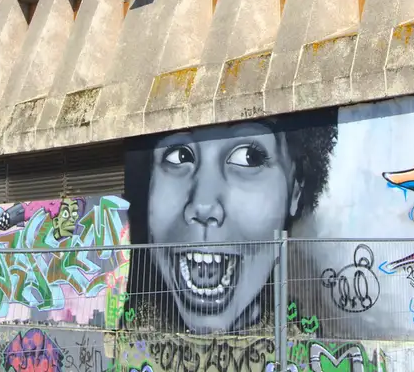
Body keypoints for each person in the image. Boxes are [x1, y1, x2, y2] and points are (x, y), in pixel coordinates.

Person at [126, 113, 334, 334]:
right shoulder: (129, 340)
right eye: (179, 156)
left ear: (295, 191)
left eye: (249, 157)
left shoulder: (299, 351)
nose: (203, 206)